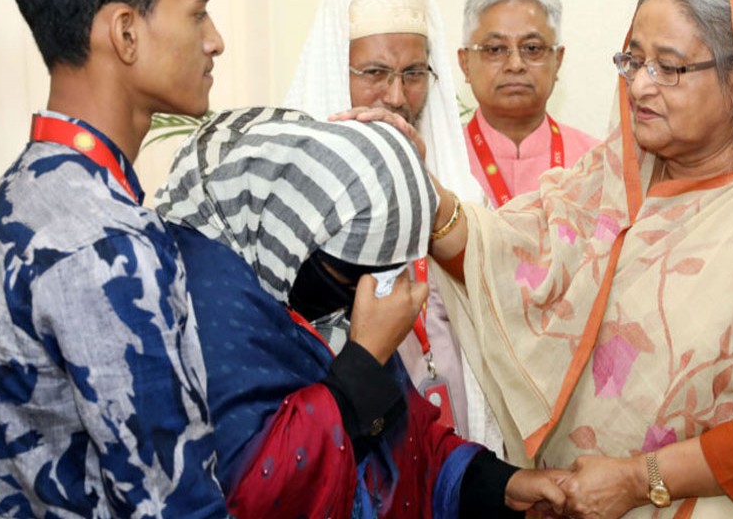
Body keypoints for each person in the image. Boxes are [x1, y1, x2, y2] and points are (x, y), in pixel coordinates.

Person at [366, 0, 733, 517]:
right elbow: (506, 263)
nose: (639, 86)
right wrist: (419, 188)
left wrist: (641, 479)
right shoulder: (612, 181)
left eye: (670, 66)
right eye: (633, 61)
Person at [154, 107, 568, 518]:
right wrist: (363, 364)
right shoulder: (200, 300)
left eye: (383, 273)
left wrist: (502, 485)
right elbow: (251, 494)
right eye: (350, 272)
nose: (366, 294)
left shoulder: (314, 300)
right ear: (292, 231)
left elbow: (409, 444)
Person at [0, 0, 228, 517]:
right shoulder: (108, 241)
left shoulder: (11, 195)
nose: (215, 40)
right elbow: (172, 503)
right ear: (125, 32)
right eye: (197, 13)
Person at [283, 0, 487, 442]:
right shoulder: (288, 197)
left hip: (454, 443)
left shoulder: (458, 185)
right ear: (338, 73)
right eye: (375, 73)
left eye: (414, 73)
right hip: (339, 433)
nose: (396, 96)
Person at [458, 0, 600, 208]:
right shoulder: (439, 161)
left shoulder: (596, 163)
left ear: (558, 60)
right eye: (494, 49)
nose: (515, 64)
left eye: (532, 48)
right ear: (465, 64)